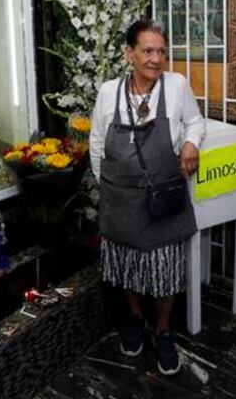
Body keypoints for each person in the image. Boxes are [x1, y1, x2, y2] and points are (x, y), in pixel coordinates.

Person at [89, 18, 205, 376]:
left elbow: (196, 121)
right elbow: (96, 141)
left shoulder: (176, 86)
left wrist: (190, 143)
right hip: (121, 201)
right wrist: (111, 184)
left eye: (161, 52)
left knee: (165, 271)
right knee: (128, 267)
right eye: (148, 51)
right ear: (130, 54)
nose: (156, 59)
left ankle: (163, 330)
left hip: (162, 200)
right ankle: (135, 318)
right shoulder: (109, 91)